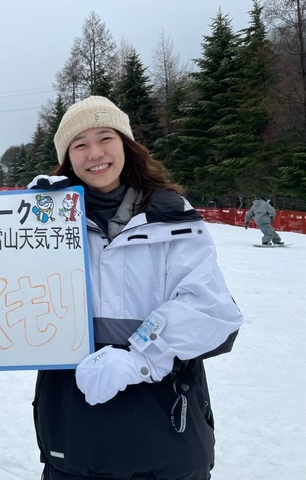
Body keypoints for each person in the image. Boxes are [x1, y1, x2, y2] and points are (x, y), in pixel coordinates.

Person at [28, 96, 244, 480]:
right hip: (73, 438)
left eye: (105, 137)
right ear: (67, 157)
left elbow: (212, 311)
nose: (95, 152)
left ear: (126, 143)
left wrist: (138, 356)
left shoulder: (172, 217)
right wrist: (29, 225)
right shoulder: (49, 226)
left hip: (165, 433)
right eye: (79, 144)